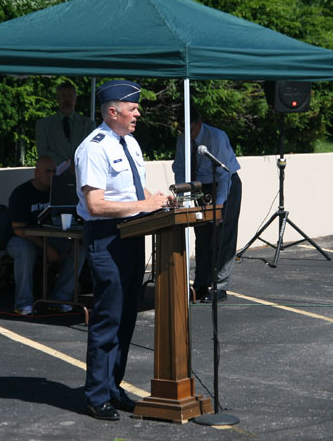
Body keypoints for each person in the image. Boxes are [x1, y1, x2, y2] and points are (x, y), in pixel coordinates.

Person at [74, 79, 174, 421]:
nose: (138, 113)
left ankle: (113, 387)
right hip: (106, 238)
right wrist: (144, 203)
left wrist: (156, 200)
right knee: (108, 318)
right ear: (112, 111)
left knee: (127, 318)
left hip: (133, 235)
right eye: (133, 109)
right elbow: (96, 204)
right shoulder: (94, 147)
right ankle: (96, 395)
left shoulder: (129, 143)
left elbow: (133, 188)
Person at [172, 105, 242, 303]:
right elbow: (180, 168)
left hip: (225, 185)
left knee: (222, 236)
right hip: (200, 187)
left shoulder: (216, 137)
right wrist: (183, 198)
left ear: (199, 124)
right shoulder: (183, 139)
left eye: (191, 130)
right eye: (184, 130)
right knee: (202, 236)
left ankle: (220, 287)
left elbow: (224, 175)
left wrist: (218, 208)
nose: (188, 135)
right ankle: (200, 285)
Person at [7, 156, 85, 316]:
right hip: (22, 239)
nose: (51, 175)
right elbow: (18, 230)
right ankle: (23, 304)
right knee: (25, 251)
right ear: (36, 172)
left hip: (49, 237)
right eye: (47, 171)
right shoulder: (21, 193)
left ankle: (59, 299)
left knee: (80, 249)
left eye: (54, 171)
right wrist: (47, 248)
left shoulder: (58, 191)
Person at [35, 83, 95, 168]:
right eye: (63, 96)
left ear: (75, 99)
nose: (67, 100)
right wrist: (66, 165)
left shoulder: (88, 124)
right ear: (57, 99)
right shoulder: (43, 125)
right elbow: (43, 151)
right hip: (54, 174)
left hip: (81, 172)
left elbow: (91, 150)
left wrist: (76, 164)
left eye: (70, 96)